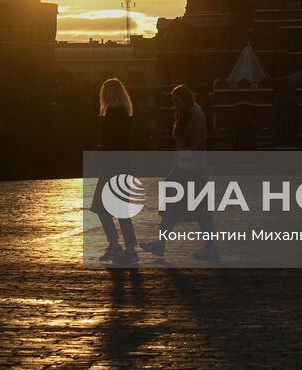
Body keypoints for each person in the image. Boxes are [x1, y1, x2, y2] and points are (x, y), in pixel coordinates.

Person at [142, 84, 219, 261]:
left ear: (185, 99)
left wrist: (184, 157)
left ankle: (211, 246)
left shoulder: (196, 116)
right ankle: (161, 244)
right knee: (175, 208)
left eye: (177, 101)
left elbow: (199, 145)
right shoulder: (184, 115)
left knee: (198, 210)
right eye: (173, 102)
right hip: (182, 170)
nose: (174, 104)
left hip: (192, 172)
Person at [90, 77, 138, 265]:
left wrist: (101, 151)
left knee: (100, 207)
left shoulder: (112, 112)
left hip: (111, 166)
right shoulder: (124, 113)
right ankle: (128, 247)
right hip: (122, 165)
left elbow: (110, 140)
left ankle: (116, 245)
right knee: (120, 209)